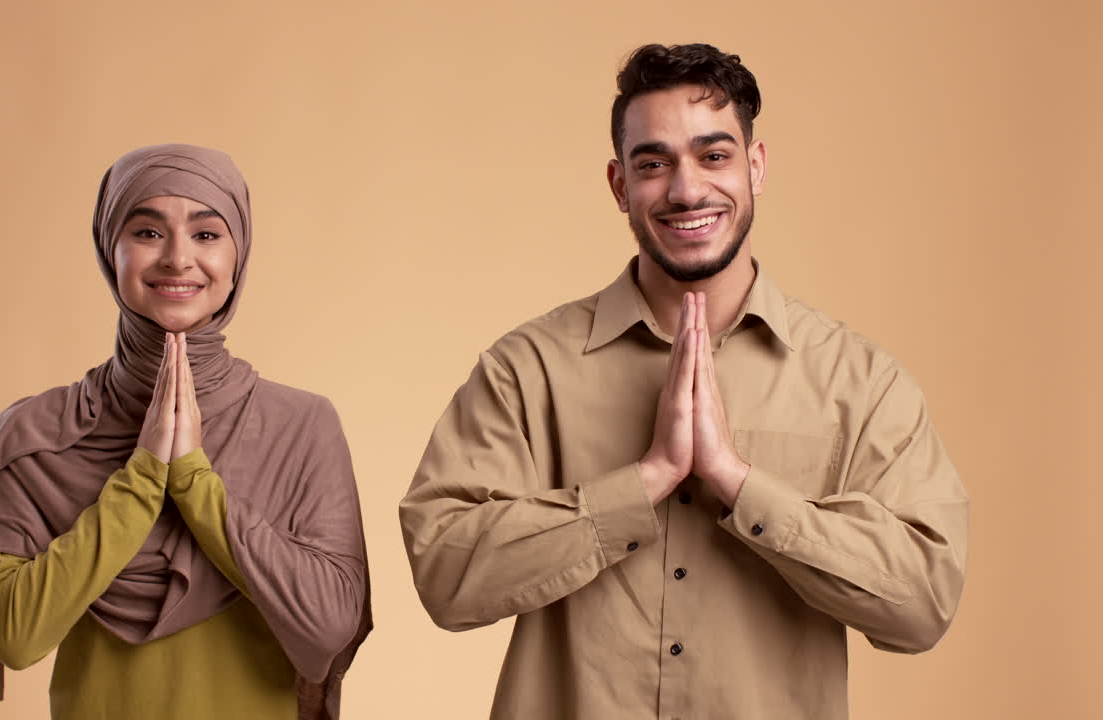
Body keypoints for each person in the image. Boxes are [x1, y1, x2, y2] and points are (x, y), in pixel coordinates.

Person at [399, 43, 968, 719]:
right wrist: (643, 483)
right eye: (653, 164)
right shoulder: (526, 370)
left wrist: (737, 482)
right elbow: (444, 573)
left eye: (714, 155)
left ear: (756, 167)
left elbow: (922, 604)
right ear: (620, 186)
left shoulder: (861, 382)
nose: (687, 190)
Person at [0, 144, 371, 720]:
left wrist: (192, 479)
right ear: (109, 249)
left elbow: (330, 625)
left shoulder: (301, 425)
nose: (178, 259)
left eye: (206, 234)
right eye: (148, 232)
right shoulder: (35, 434)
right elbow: (12, 636)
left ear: (238, 253)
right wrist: (141, 477)